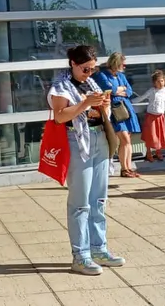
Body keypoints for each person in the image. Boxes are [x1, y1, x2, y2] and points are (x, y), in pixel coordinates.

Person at [47, 45, 124, 276]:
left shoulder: (91, 83)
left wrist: (103, 107)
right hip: (76, 141)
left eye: (92, 69)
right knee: (80, 202)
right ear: (72, 63)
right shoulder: (60, 87)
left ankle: (99, 248)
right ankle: (80, 256)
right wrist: (85, 104)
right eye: (85, 69)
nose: (89, 73)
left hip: (98, 137)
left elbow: (94, 111)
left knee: (99, 198)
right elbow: (60, 117)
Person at [91, 53, 140, 177]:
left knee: (128, 139)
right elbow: (109, 89)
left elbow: (129, 91)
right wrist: (120, 89)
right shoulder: (102, 75)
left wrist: (120, 89)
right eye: (123, 64)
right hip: (115, 111)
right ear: (116, 63)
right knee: (125, 139)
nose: (125, 66)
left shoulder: (121, 76)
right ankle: (124, 169)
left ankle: (129, 168)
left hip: (126, 109)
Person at [140, 70, 165, 162]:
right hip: (151, 117)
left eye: (162, 81)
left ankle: (158, 152)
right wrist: (131, 102)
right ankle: (148, 153)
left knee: (159, 135)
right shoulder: (152, 91)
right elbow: (142, 97)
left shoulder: (164, 91)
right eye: (158, 81)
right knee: (150, 135)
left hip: (160, 117)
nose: (160, 83)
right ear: (154, 82)